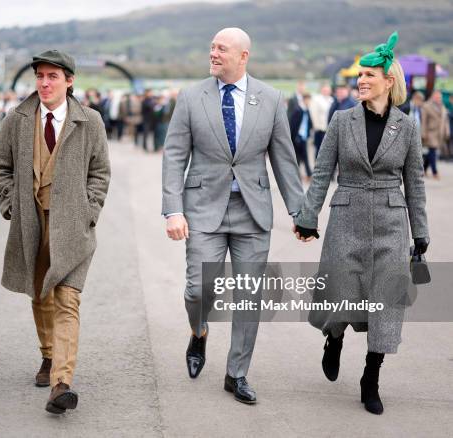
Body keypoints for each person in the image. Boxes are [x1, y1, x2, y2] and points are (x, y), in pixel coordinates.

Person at [162, 28, 303, 404]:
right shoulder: (191, 97)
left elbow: (284, 160)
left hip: (252, 214)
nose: (213, 53)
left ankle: (236, 373)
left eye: (221, 49)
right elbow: (175, 156)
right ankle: (200, 330)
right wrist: (173, 209)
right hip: (203, 210)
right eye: (211, 47)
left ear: (243, 56)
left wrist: (299, 211)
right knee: (198, 290)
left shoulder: (271, 99)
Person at [293, 32, 429, 415]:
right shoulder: (341, 120)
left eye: (370, 75)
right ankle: (333, 337)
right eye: (360, 75)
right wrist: (308, 216)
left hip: (390, 220)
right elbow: (321, 172)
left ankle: (371, 378)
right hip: (346, 215)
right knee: (341, 290)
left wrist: (421, 233)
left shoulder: (406, 126)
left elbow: (415, 182)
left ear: (389, 81)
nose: (362, 80)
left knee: (385, 303)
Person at [0, 49, 110, 415]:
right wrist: (11, 204)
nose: (44, 83)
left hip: (73, 225)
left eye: (52, 77)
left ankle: (61, 382)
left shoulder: (90, 121)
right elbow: (0, 167)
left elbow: (100, 173)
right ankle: (47, 355)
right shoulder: (17, 120)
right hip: (31, 222)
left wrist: (89, 211)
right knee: (40, 296)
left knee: (67, 299)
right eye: (40, 76)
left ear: (69, 81)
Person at [421, 90, 450, 179]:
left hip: (439, 133)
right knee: (433, 151)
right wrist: (423, 133)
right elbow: (424, 121)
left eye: (440, 97)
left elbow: (445, 121)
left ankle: (424, 169)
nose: (438, 99)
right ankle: (435, 172)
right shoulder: (426, 106)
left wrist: (447, 131)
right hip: (430, 132)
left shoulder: (443, 106)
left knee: (431, 152)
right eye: (437, 97)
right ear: (433, 96)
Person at [289, 92, 313, 180]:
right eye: (307, 100)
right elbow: (292, 125)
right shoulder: (298, 110)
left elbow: (310, 123)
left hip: (304, 137)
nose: (309, 102)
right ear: (304, 100)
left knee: (302, 157)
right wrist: (292, 138)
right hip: (297, 138)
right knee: (299, 157)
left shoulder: (306, 110)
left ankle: (303, 175)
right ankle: (306, 174)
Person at [309, 83, 333, 158]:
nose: (326, 91)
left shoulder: (331, 100)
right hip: (320, 130)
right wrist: (316, 127)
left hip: (330, 130)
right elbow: (313, 114)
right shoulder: (316, 99)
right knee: (319, 151)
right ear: (321, 90)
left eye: (328, 90)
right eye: (325, 89)